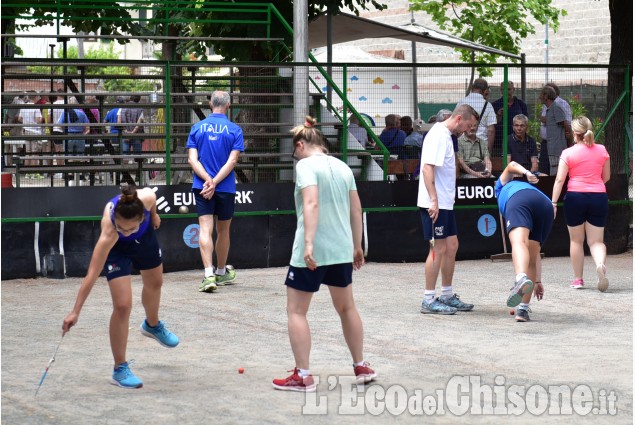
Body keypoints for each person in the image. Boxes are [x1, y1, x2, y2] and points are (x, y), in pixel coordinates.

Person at [272, 115, 376, 392]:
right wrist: (357, 245)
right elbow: (357, 209)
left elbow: (312, 203)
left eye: (294, 151)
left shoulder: (305, 166)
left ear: (300, 145)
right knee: (347, 307)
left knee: (296, 311)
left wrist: (308, 244)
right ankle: (361, 365)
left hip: (314, 252)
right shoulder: (342, 166)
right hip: (342, 249)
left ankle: (303, 375)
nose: (295, 156)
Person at [62, 186, 180, 389]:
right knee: (123, 306)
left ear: (140, 218)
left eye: (130, 228)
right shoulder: (109, 232)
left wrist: (154, 215)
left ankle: (152, 325)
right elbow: (91, 274)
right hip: (118, 252)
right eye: (121, 227)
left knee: (155, 283)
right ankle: (120, 368)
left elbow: (152, 203)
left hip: (145, 240)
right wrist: (75, 311)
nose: (125, 231)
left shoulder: (147, 198)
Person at [419, 104, 478, 314]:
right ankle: (428, 299)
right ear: (459, 118)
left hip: (445, 203)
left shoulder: (446, 135)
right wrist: (433, 200)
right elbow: (427, 168)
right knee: (438, 249)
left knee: (451, 245)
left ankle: (446, 294)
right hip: (436, 204)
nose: (468, 131)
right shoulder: (437, 135)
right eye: (469, 126)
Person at [187, 91, 244, 292]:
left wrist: (207, 181)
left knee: (205, 228)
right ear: (228, 105)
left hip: (202, 186)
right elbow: (233, 161)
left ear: (210, 104)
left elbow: (192, 160)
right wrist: (216, 182)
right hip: (225, 187)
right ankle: (221, 272)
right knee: (223, 230)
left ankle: (209, 276)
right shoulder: (235, 130)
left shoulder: (197, 128)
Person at [551, 116, 610, 291]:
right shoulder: (602, 150)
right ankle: (600, 264)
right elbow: (606, 177)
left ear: (574, 133)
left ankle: (578, 279)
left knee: (576, 241)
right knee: (596, 241)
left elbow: (560, 180)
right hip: (598, 196)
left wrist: (553, 202)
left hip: (575, 197)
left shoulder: (568, 153)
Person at [495, 162, 553, 322]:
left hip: (520, 201)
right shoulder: (522, 186)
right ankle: (523, 310)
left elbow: (511, 164)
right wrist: (538, 280)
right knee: (531, 258)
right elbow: (535, 258)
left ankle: (520, 278)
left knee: (519, 242)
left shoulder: (500, 187)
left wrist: (527, 172)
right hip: (545, 204)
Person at [456, 78, 496, 155]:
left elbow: (456, 125)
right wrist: (489, 151)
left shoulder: (461, 102)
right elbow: (491, 131)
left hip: (463, 145)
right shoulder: (487, 105)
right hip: (481, 146)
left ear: (472, 88)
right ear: (485, 90)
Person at [539, 86, 571, 175]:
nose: (539, 97)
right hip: (551, 147)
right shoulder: (549, 109)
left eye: (541, 94)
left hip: (557, 148)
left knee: (556, 172)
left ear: (546, 96)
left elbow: (565, 124)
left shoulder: (556, 108)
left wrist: (569, 141)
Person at [492, 81, 528, 158]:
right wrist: (498, 114)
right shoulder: (495, 105)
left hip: (517, 142)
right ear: (501, 90)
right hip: (498, 143)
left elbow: (526, 124)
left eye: (508, 89)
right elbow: (491, 125)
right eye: (503, 89)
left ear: (513, 89)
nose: (506, 92)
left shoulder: (521, 105)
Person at [17, 92, 44, 175]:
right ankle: (34, 173)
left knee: (28, 152)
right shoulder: (35, 107)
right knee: (34, 153)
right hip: (35, 132)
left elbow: (19, 119)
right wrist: (42, 118)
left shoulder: (23, 107)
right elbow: (38, 121)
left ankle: (27, 173)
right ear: (35, 97)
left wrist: (26, 122)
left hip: (26, 131)